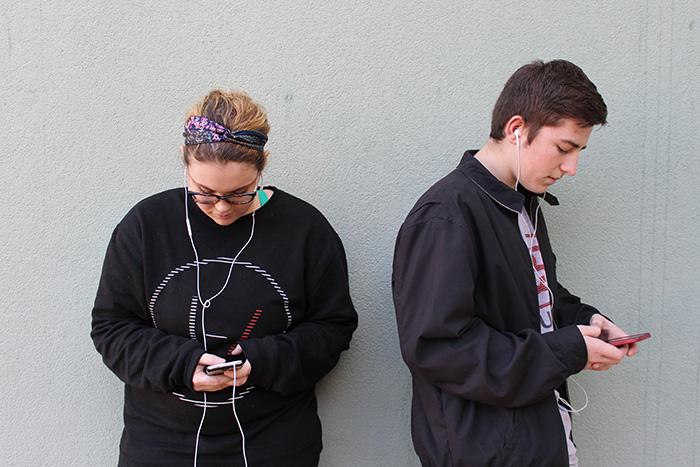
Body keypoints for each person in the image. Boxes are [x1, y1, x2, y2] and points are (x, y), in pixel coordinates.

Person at [392, 60, 638, 467]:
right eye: (564, 148)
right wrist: (565, 350)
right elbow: (438, 349)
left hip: (543, 441)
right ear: (516, 129)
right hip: (486, 453)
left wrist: (589, 322)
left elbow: (535, 301)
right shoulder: (445, 216)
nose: (571, 168)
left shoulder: (521, 204)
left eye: (579, 152)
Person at [91, 90, 357, 466]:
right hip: (161, 447)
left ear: (261, 168)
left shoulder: (306, 231)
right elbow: (111, 328)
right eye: (204, 194)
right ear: (185, 165)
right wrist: (181, 365)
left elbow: (333, 329)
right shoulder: (146, 227)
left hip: (274, 445)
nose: (220, 208)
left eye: (238, 194)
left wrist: (261, 362)